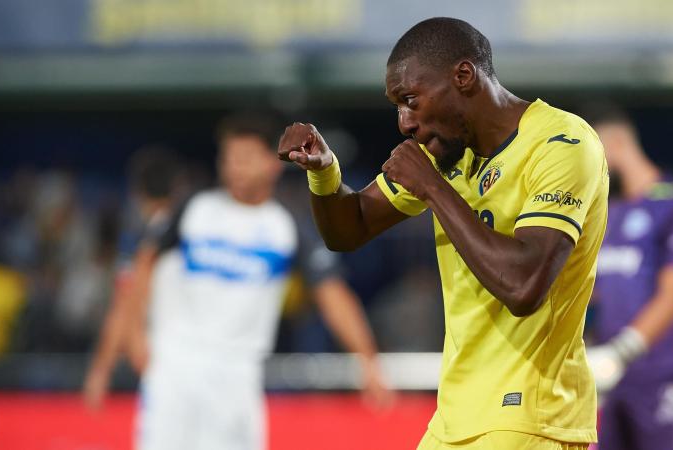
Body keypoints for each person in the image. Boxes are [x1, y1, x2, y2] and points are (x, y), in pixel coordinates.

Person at [278, 17, 608, 450]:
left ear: (463, 76)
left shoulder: (561, 143)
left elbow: (524, 286)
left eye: (411, 100)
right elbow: (349, 228)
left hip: (530, 418)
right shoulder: (446, 155)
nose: (404, 122)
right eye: (397, 106)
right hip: (453, 419)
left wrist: (433, 189)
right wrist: (324, 173)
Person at [131, 114, 390, 450]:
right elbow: (144, 262)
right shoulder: (194, 209)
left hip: (239, 375)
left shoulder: (286, 226)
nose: (235, 168)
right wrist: (136, 332)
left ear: (272, 163)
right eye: (229, 158)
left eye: (245, 158)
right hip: (175, 365)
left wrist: (367, 360)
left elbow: (332, 293)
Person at [584, 104, 673, 450]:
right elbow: (592, 293)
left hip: (665, 373)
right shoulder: (608, 214)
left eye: (590, 153)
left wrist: (623, 351)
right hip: (610, 378)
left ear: (615, 143)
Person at [82, 146, 178, 410]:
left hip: (159, 356)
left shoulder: (141, 242)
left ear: (138, 193)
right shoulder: (195, 234)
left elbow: (123, 305)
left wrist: (101, 369)